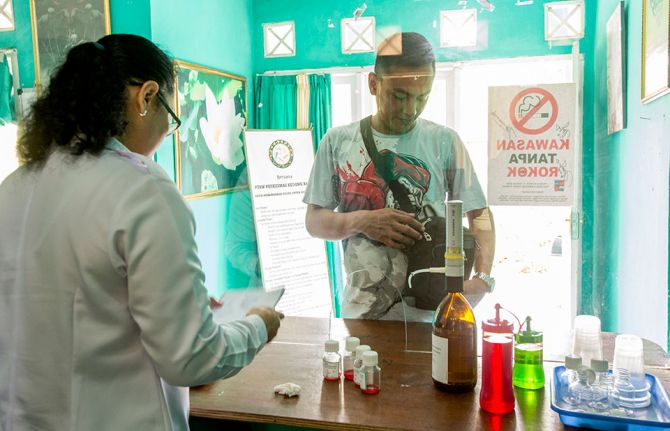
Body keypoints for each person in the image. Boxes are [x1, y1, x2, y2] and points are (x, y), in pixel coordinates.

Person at [0, 34, 283, 430]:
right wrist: (258, 326)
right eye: (171, 113)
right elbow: (192, 357)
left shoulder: (13, 188)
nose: (168, 130)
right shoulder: (142, 188)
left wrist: (183, 306)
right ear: (147, 97)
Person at [304, 32, 496, 320]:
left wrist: (483, 277)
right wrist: (363, 221)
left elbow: (479, 214)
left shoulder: (445, 142)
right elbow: (315, 221)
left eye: (423, 97)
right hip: (362, 315)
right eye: (399, 96)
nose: (411, 110)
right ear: (373, 84)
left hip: (432, 317)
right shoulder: (337, 141)